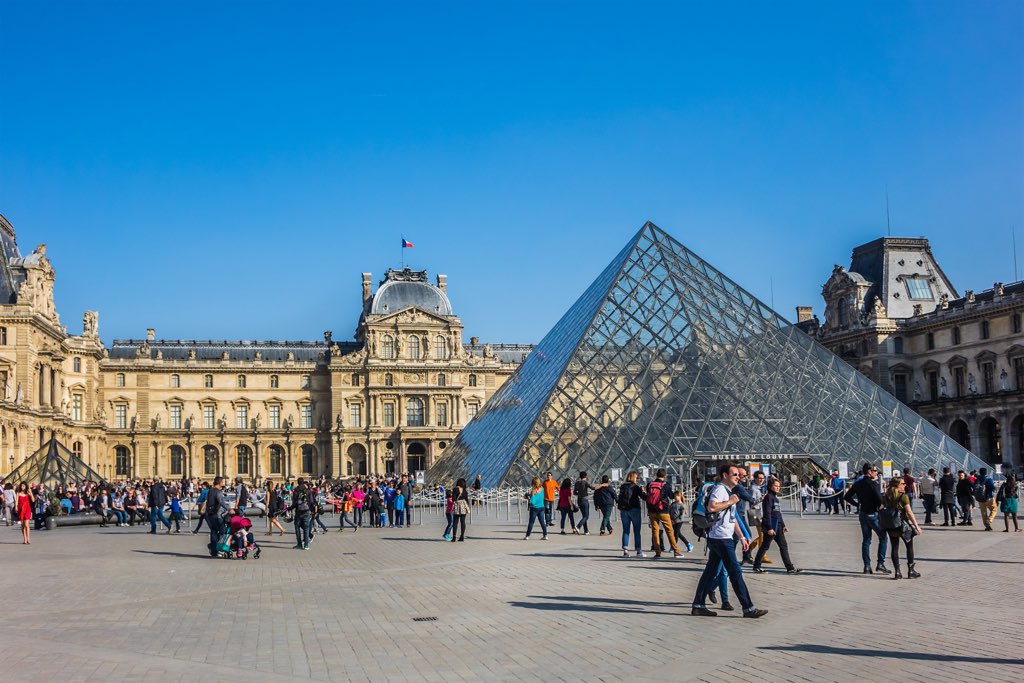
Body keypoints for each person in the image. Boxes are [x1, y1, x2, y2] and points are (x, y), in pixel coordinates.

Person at [690, 463, 767, 619]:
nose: (738, 477)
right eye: (735, 475)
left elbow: (733, 519)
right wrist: (731, 502)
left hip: (720, 537)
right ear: (725, 475)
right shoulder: (720, 490)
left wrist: (742, 536)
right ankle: (748, 608)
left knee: (710, 572)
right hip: (721, 538)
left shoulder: (728, 491)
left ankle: (698, 605)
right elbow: (712, 507)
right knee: (735, 572)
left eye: (738, 475)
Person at [844, 463, 890, 574]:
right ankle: (880, 564)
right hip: (873, 515)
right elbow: (880, 501)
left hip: (862, 514)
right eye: (875, 470)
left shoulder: (858, 483)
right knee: (883, 537)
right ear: (869, 471)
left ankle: (867, 566)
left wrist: (857, 505)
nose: (877, 472)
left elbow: (847, 497)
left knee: (866, 540)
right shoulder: (873, 484)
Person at [752, 478, 801, 574]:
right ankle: (756, 566)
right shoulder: (768, 498)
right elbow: (767, 513)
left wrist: (783, 525)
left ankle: (790, 568)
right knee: (765, 546)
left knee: (783, 546)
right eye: (775, 486)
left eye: (779, 486)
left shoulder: (775, 498)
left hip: (778, 526)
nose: (778, 488)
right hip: (771, 526)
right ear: (770, 486)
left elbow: (778, 514)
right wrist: (769, 528)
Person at [882, 476, 922, 579]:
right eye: (903, 483)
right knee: (909, 547)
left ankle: (897, 572)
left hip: (891, 525)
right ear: (898, 485)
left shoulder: (886, 496)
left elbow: (881, 508)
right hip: (903, 525)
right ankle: (911, 571)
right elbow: (909, 512)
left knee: (894, 548)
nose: (905, 485)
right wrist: (916, 526)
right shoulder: (903, 497)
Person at [646, 468, 681, 558]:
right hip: (663, 510)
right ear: (664, 476)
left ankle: (658, 552)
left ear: (656, 475)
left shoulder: (649, 484)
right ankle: (676, 551)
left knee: (655, 531)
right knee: (669, 531)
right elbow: (671, 496)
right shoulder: (665, 485)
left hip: (652, 510)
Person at [617, 471, 646, 558]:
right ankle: (639, 551)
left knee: (626, 530)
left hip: (624, 510)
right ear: (634, 478)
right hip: (635, 510)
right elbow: (644, 497)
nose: (637, 479)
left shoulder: (623, 486)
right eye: (636, 477)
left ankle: (625, 552)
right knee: (637, 531)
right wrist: (643, 491)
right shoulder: (636, 487)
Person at [205, 477, 229, 557]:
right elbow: (221, 502)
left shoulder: (210, 490)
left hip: (210, 514)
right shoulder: (218, 492)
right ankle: (219, 549)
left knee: (213, 531)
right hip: (218, 514)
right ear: (220, 483)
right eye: (222, 482)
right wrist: (229, 509)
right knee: (223, 532)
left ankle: (213, 550)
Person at [289, 478, 314, 550]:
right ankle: (306, 545)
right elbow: (312, 501)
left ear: (298, 482)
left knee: (297, 527)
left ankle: (299, 544)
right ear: (303, 482)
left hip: (298, 512)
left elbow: (294, 503)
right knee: (306, 528)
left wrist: (290, 508)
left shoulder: (296, 490)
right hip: (306, 511)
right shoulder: (308, 490)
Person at [975, 467, 997, 531]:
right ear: (986, 473)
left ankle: (987, 526)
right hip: (988, 497)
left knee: (983, 512)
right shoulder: (989, 479)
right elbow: (992, 487)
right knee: (994, 510)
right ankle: (989, 520)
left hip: (980, 498)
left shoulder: (977, 479)